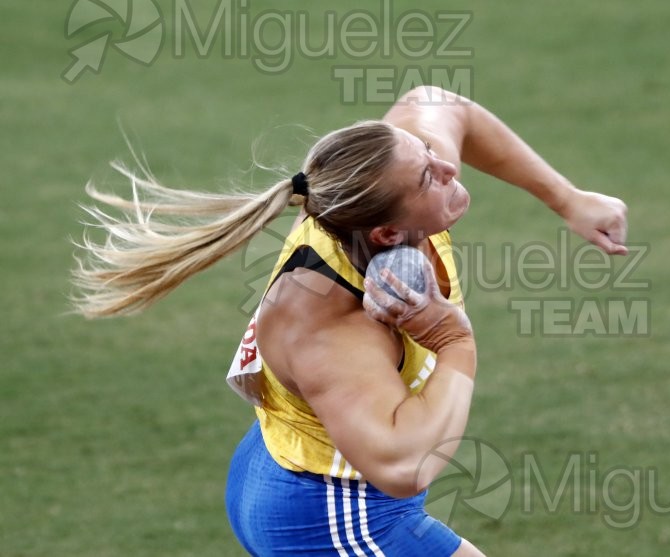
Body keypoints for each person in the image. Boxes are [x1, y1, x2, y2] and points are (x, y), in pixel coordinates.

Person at [72, 86, 628, 556]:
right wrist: (454, 339)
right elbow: (405, 464)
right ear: (386, 233)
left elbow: (438, 104)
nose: (447, 165)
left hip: (284, 462)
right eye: (428, 177)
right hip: (332, 511)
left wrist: (568, 199)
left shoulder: (377, 183)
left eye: (427, 154)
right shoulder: (329, 324)